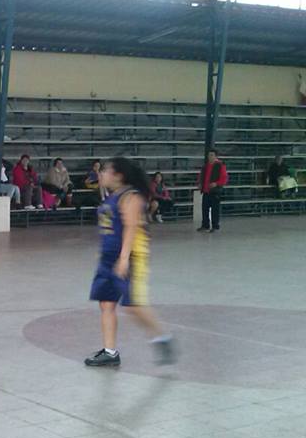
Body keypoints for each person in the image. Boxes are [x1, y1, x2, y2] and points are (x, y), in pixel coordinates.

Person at [85, 157, 176, 368]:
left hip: (130, 257)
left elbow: (131, 228)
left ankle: (162, 338)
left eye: (105, 170)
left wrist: (124, 258)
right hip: (108, 257)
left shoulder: (131, 197)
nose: (101, 174)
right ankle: (110, 352)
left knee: (134, 305)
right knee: (106, 303)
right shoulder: (111, 196)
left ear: (118, 175)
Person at [197, 149, 228, 233]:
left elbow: (224, 178)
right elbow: (201, 176)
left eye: (211, 155)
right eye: (209, 155)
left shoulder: (220, 165)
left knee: (215, 210)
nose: (209, 157)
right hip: (206, 191)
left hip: (215, 191)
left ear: (215, 156)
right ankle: (205, 225)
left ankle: (215, 226)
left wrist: (216, 183)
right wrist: (200, 183)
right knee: (205, 209)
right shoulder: (205, 166)